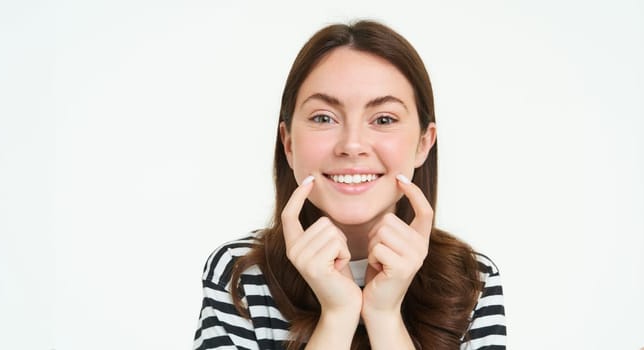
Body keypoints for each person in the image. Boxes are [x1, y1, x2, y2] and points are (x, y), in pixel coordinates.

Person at [193, 20, 506, 349]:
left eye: (384, 119)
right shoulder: (238, 274)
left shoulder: (473, 280)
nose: (352, 145)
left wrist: (384, 315)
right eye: (323, 118)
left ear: (423, 144)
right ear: (287, 142)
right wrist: (338, 315)